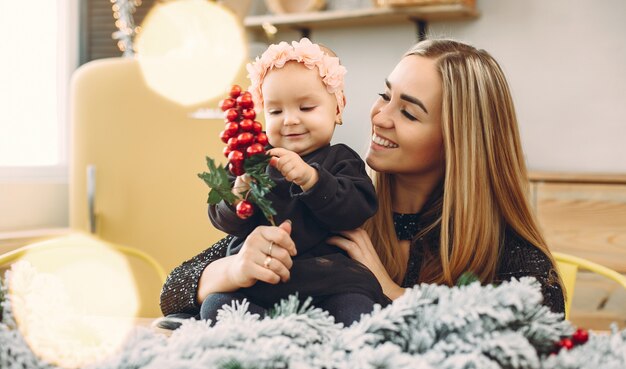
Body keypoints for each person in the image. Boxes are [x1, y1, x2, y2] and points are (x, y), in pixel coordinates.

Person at [160, 39, 565, 328]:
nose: (380, 117)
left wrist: (393, 291)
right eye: (384, 95)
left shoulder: (497, 245)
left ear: (457, 142)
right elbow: (173, 291)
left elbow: (542, 318)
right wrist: (235, 268)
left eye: (408, 113)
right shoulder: (329, 205)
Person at [203, 38, 388, 326]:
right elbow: (224, 219)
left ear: (338, 108)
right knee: (216, 306)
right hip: (260, 286)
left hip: (330, 283)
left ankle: (337, 353)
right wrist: (239, 192)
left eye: (306, 108)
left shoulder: (341, 160)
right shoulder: (252, 161)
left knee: (360, 308)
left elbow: (358, 208)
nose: (289, 120)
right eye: (275, 111)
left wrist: (312, 180)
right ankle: (271, 344)